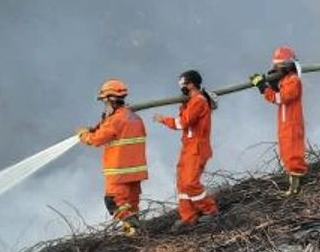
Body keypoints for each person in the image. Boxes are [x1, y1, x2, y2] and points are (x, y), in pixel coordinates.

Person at [78, 79, 148, 237]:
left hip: (119, 172)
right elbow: (112, 130)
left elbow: (96, 139)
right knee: (131, 206)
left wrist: (83, 135)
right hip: (135, 171)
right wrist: (99, 125)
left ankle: (134, 234)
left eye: (104, 100)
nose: (104, 103)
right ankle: (134, 233)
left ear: (110, 98)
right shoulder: (134, 117)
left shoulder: (115, 120)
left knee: (114, 203)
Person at [153, 70, 219, 225]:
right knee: (182, 184)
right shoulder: (191, 101)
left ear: (191, 84)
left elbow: (182, 122)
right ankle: (188, 217)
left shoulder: (198, 101)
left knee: (190, 182)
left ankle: (210, 210)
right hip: (188, 147)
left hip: (197, 148)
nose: (181, 87)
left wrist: (163, 119)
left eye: (183, 84)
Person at [252, 46, 308, 196]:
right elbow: (279, 93)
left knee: (293, 154)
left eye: (278, 65)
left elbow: (280, 98)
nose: (275, 68)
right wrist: (271, 84)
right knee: (286, 152)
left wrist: (263, 88)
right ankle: (293, 184)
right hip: (285, 123)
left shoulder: (294, 81)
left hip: (292, 123)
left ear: (286, 65)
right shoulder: (285, 80)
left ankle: (296, 188)